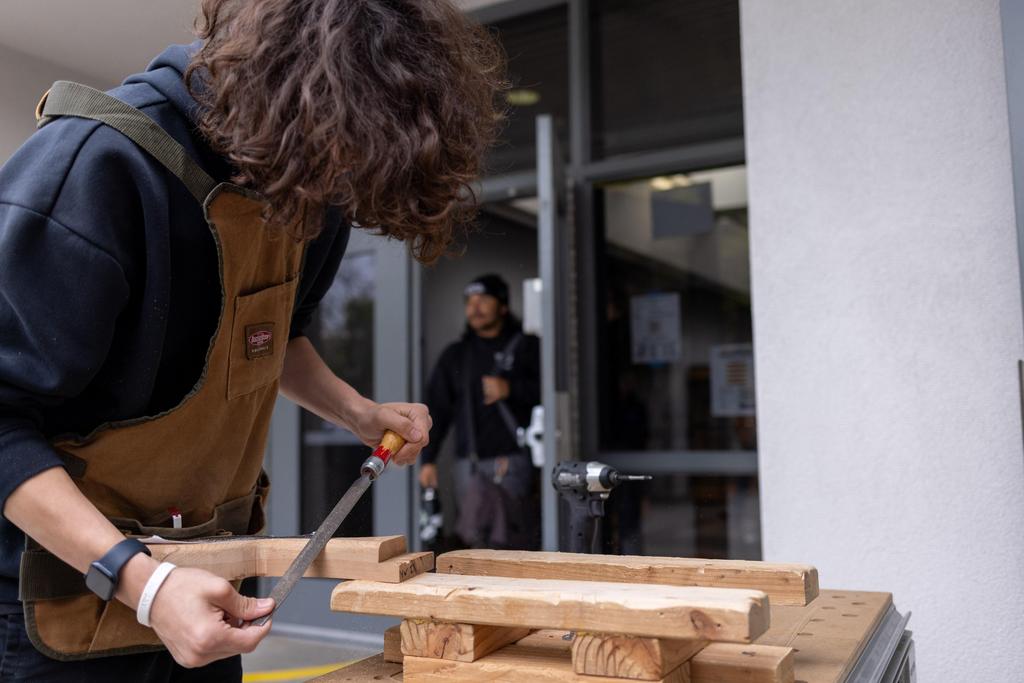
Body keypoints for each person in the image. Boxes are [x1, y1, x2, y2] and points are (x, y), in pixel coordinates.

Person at [0, 0, 507, 679]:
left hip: (202, 585)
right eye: (336, 171)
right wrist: (145, 584)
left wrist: (357, 412)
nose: (333, 201)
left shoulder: (313, 182)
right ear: (299, 105)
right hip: (52, 607)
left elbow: (269, 336)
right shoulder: (95, 171)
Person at [420, 274, 541, 550]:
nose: (475, 307)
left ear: (503, 306)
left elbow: (556, 397)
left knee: (512, 544)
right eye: (469, 301)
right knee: (472, 544)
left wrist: (511, 389)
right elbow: (437, 409)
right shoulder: (456, 355)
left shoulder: (527, 347)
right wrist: (428, 460)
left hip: (512, 462)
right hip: (469, 465)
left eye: (483, 299)